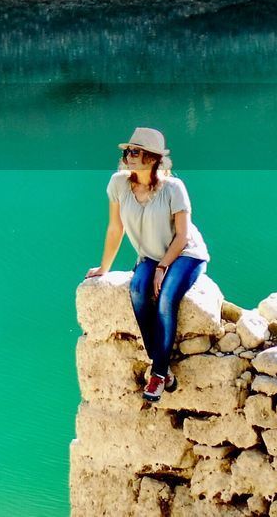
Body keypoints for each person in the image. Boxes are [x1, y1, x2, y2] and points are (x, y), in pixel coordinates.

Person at [84, 127, 211, 402]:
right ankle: (162, 365)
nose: (128, 156)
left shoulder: (174, 188)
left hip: (185, 254)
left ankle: (159, 374)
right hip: (150, 257)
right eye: (127, 151)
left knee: (165, 299)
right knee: (138, 291)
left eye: (135, 152)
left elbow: (183, 235)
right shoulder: (118, 184)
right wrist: (104, 267)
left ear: (152, 158)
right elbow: (115, 228)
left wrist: (163, 267)